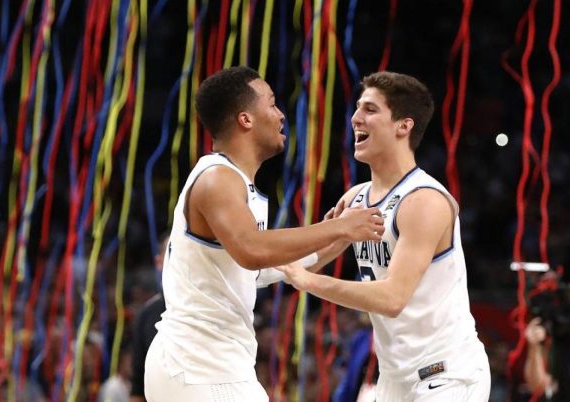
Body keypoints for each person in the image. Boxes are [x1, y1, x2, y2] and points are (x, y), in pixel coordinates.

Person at [143, 66, 385, 402]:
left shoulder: (239, 186)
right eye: (271, 104)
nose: (281, 115)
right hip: (198, 365)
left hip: (210, 365)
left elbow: (266, 268)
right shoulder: (218, 178)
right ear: (245, 119)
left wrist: (340, 239)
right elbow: (251, 250)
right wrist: (338, 226)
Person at [276, 71, 490, 401]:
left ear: (403, 126)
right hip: (395, 377)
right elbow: (305, 258)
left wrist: (306, 282)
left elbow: (392, 299)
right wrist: (247, 260)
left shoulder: (424, 201)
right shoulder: (356, 198)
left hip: (446, 374)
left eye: (370, 110)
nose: (355, 118)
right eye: (359, 107)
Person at [130, 235, 168, 402]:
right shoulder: (146, 315)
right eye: (173, 253)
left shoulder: (213, 309)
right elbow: (138, 386)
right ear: (159, 262)